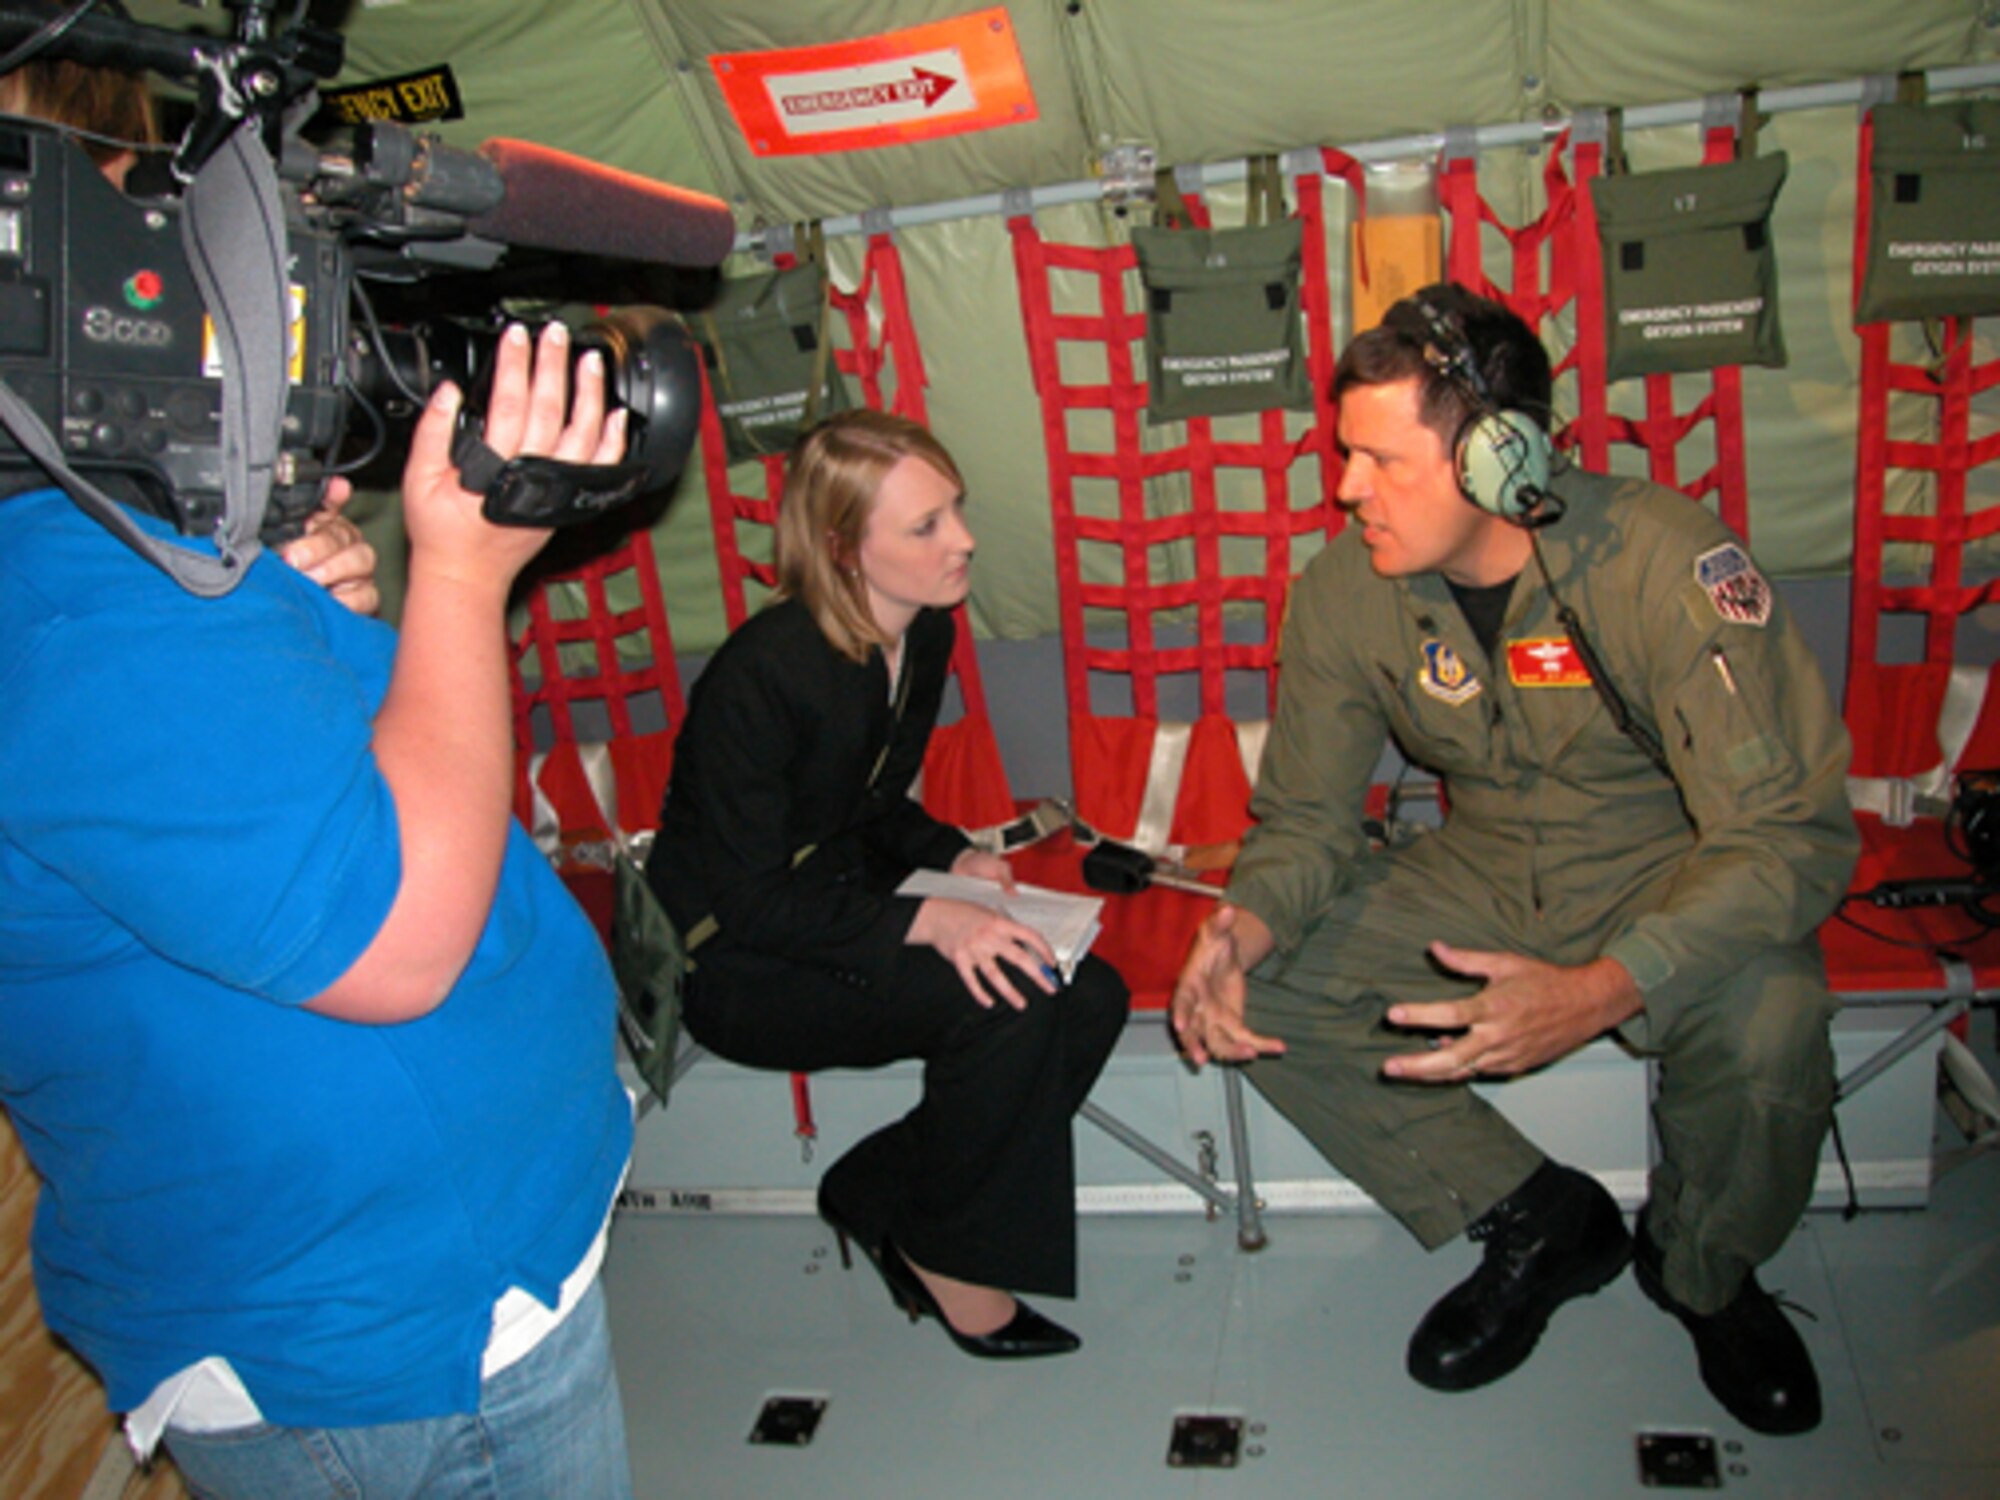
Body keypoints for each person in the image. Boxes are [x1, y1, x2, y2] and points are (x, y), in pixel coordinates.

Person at [0, 41, 640, 1496]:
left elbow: (311, 776)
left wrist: (310, 612)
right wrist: (466, 571)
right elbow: (399, 940)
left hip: (445, 1290)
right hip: (378, 1346)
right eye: (143, 222)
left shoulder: (119, 547)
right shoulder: (58, 594)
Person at [1170, 284, 1857, 1436]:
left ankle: (1699, 1274)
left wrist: (1604, 988)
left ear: (1499, 456)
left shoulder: (1659, 561)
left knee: (1768, 1022)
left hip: (1671, 877)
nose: (1345, 490)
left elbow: (1783, 837)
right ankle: (1539, 1216)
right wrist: (1235, 929)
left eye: (1380, 461)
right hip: (1483, 868)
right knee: (1267, 984)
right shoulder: (1346, 589)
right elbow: (1304, 822)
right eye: (1344, 456)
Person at [647, 408, 1129, 1358]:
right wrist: (931, 923)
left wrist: (952, 858)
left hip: (825, 903)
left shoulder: (922, 634)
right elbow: (745, 901)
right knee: (1015, 999)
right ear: (843, 549)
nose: (965, 540)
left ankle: (880, 1187)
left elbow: (861, 805)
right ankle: (952, 1264)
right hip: (733, 959)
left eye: (956, 510)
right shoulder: (762, 676)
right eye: (926, 526)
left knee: (1094, 993)